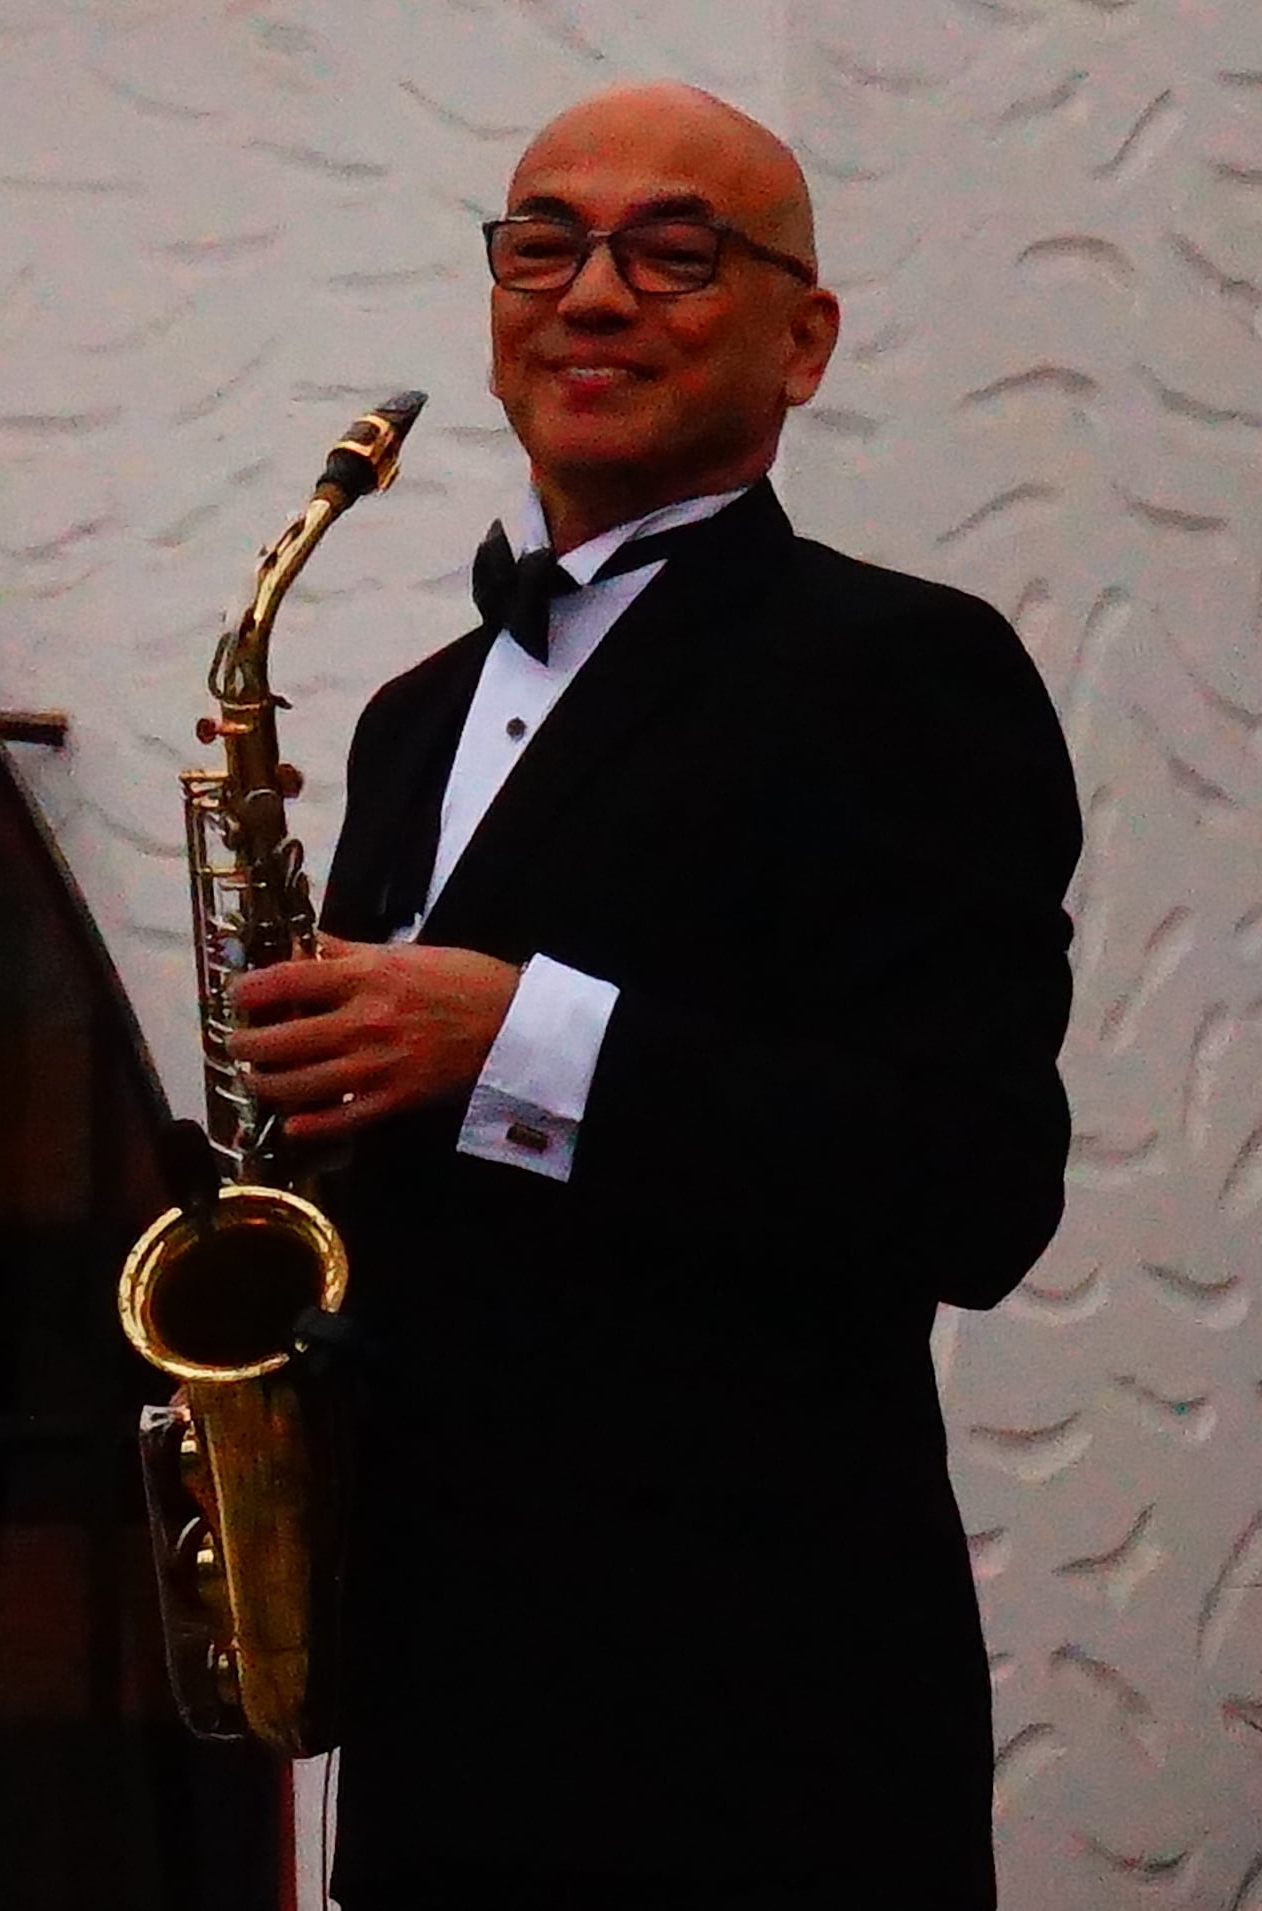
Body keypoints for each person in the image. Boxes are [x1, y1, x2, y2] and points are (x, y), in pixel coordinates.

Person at [228, 81, 1080, 1911]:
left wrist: (514, 1040)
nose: (593, 293)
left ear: (804, 341)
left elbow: (976, 1183)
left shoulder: (906, 670)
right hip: (442, 1702)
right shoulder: (407, 719)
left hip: (752, 1725)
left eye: (674, 254)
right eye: (544, 244)